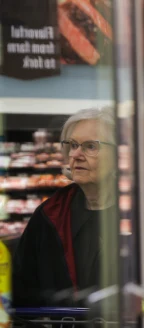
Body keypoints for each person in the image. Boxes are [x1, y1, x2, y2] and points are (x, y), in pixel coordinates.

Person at [13, 107, 117, 307]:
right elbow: (21, 288)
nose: (76, 154)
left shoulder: (135, 210)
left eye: (90, 146)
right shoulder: (50, 214)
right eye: (72, 145)